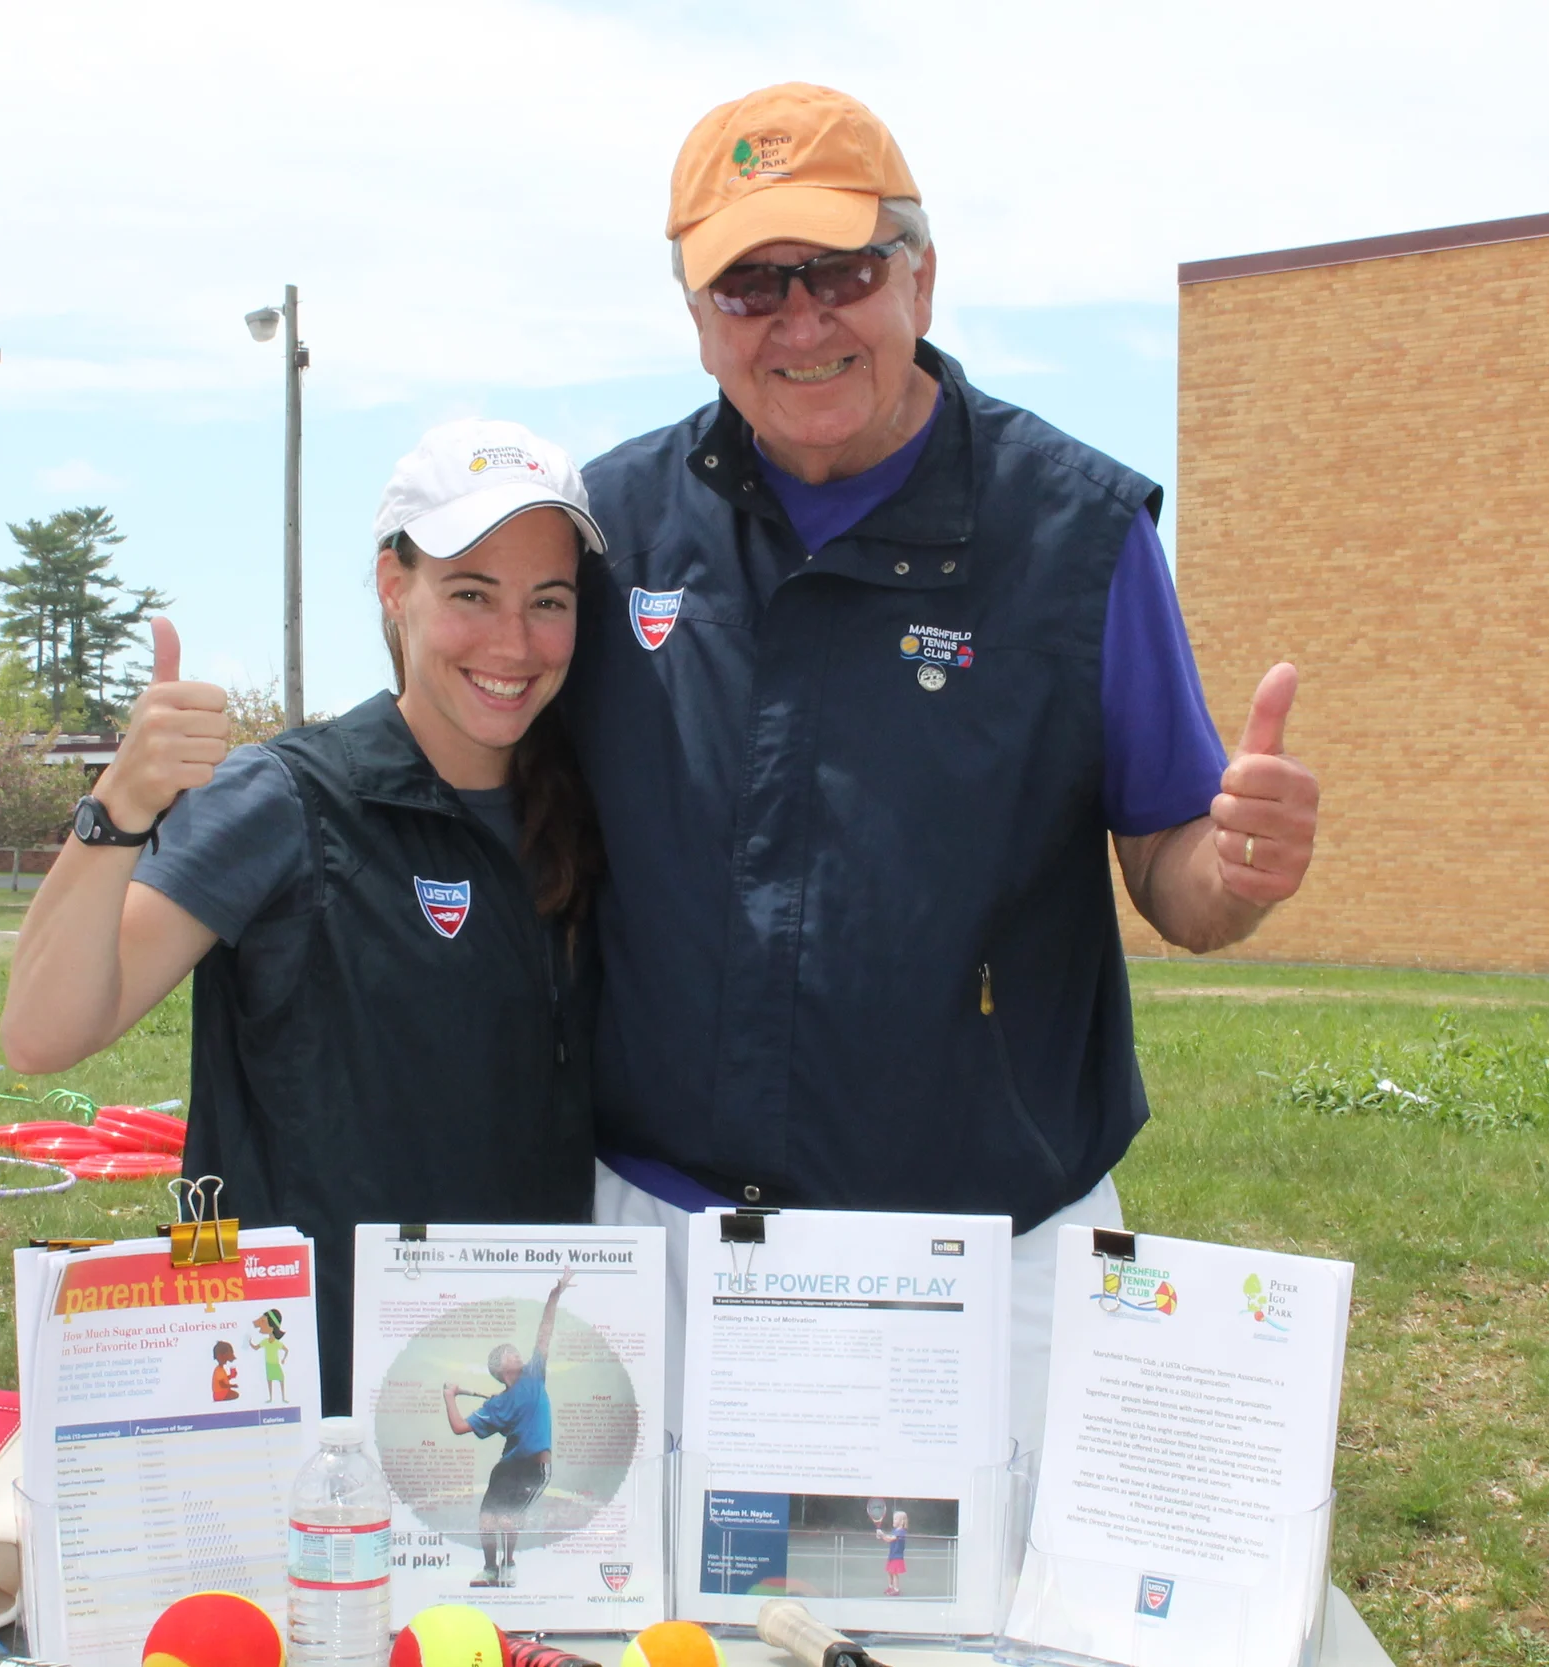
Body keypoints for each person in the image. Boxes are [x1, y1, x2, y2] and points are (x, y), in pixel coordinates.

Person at [565, 84, 1323, 1457]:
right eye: (748, 286)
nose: (800, 322)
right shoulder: (610, 526)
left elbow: (1175, 870)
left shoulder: (1078, 532)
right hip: (665, 1239)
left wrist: (1241, 865)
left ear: (922, 276)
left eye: (840, 271)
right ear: (694, 319)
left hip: (993, 1258)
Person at [0, 420, 610, 1418]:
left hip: (507, 1390)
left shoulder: (587, 813)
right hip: (314, 1405)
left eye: (548, 602)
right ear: (391, 586)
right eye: (470, 593)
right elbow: (42, 1031)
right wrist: (120, 807)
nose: (513, 643)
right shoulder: (285, 799)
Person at [442, 1269, 573, 1588]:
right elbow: (460, 1427)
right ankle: (490, 1570)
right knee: (488, 1519)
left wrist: (555, 1295)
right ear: (500, 1368)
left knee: (506, 1518)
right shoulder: (495, 1406)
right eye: (509, 1353)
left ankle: (509, 1565)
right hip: (506, 1468)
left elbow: (545, 1332)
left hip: (534, 1469)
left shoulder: (534, 1375)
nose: (517, 1353)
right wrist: (449, 1396)